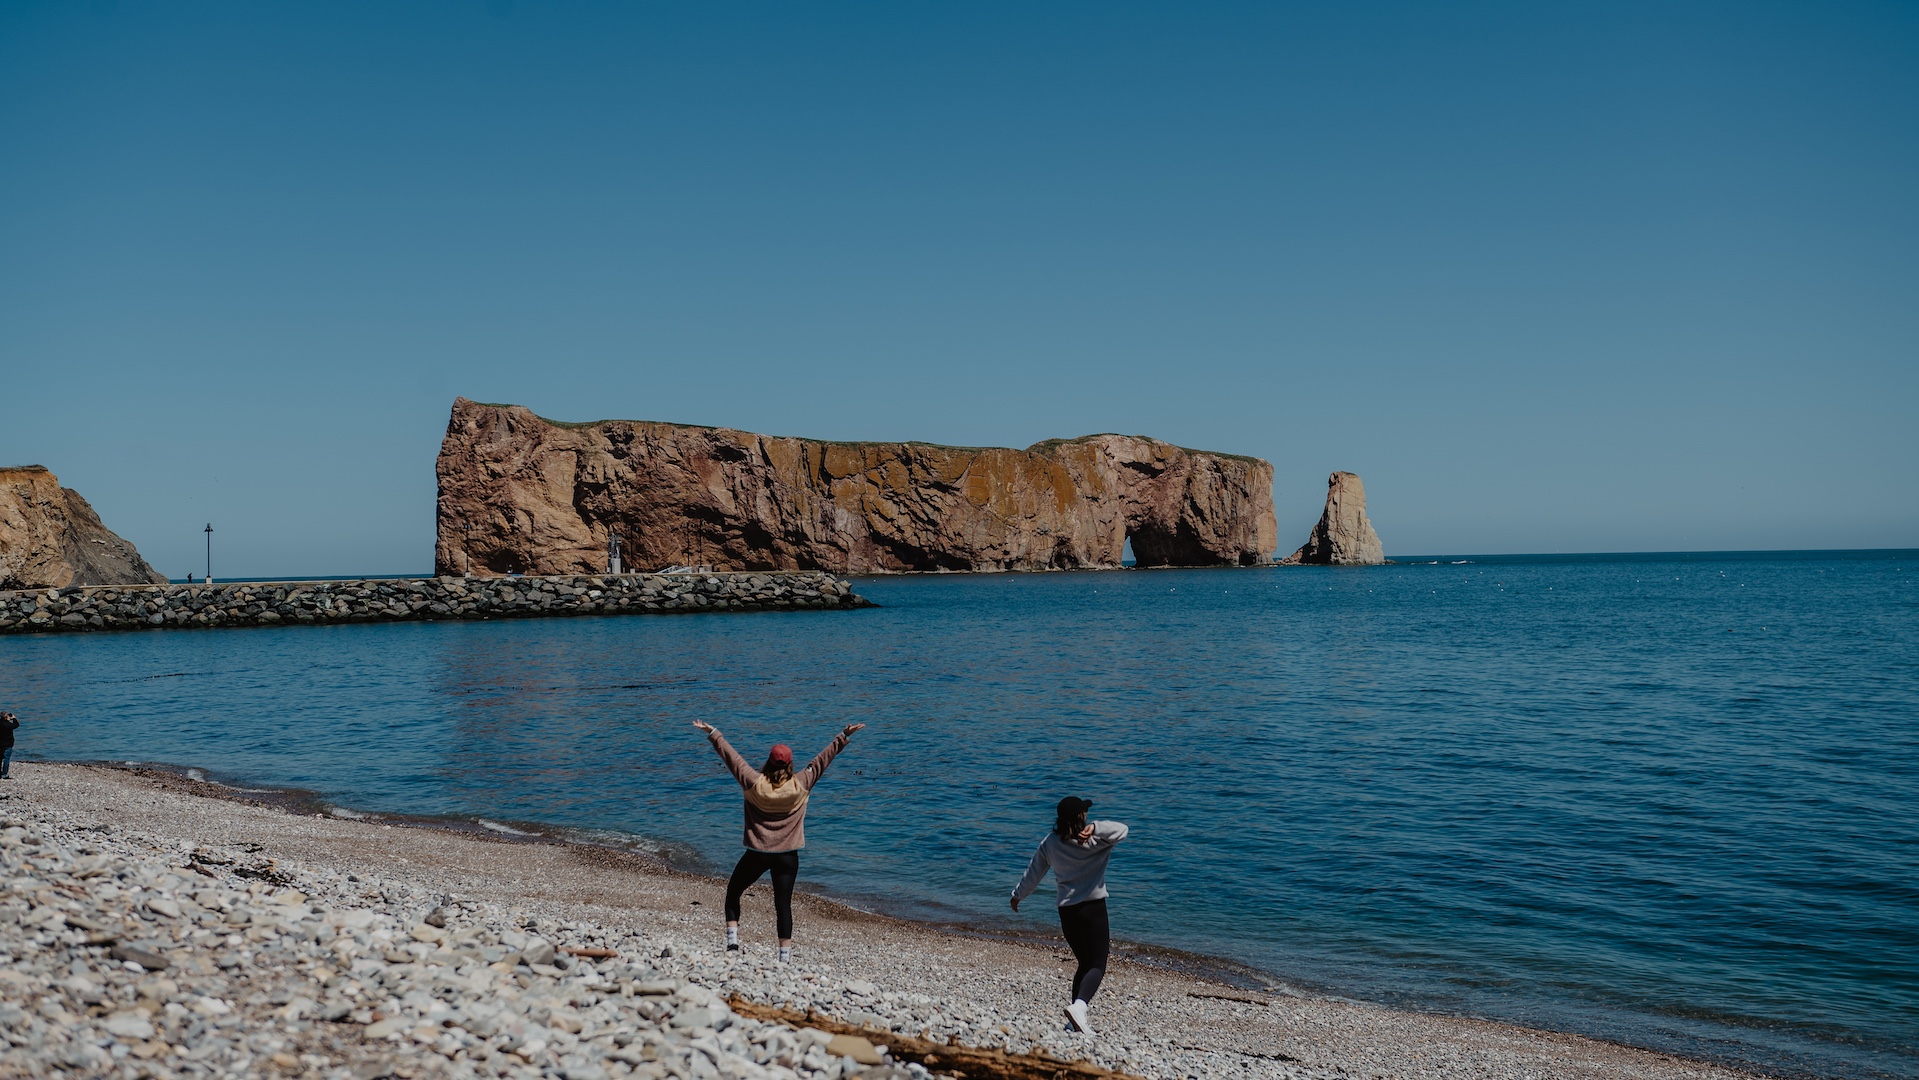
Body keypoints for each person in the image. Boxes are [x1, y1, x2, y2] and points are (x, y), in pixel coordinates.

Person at [692, 718, 864, 963]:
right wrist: (843, 736)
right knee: (782, 905)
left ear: (769, 761)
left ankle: (732, 943)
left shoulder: (753, 783)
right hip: (788, 856)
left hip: (757, 853)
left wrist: (713, 733)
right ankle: (784, 957)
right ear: (790, 763)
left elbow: (732, 758)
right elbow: (822, 760)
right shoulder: (802, 783)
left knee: (733, 892)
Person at [1011, 796, 1128, 1036]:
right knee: (1097, 964)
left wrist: (1017, 896)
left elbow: (1033, 873)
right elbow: (1123, 830)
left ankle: (1075, 1019)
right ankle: (1080, 1007)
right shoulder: (1097, 840)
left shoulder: (1051, 843)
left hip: (1067, 912)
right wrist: (1096, 828)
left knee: (1084, 963)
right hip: (1093, 909)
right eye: (1085, 814)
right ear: (1080, 817)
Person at [0, 711, 18, 780]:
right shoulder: (8, 725)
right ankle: (4, 774)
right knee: (6, 759)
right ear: (6, 718)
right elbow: (16, 725)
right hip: (7, 744)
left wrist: (7, 719)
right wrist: (13, 718)